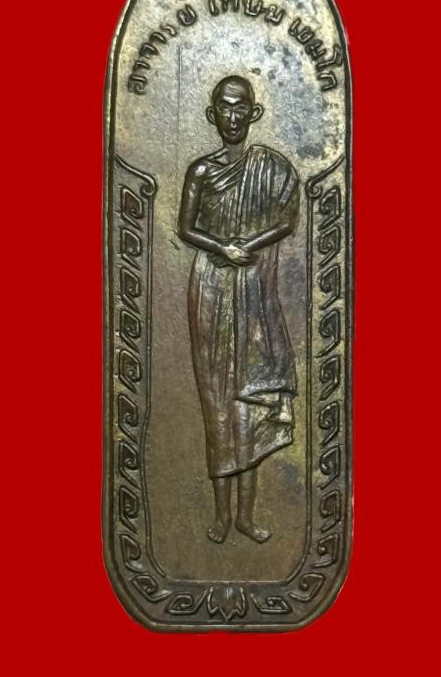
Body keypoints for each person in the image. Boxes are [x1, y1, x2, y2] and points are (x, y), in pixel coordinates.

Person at [178, 75, 299, 543]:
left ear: (254, 113)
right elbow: (186, 227)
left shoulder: (270, 167)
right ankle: (220, 515)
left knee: (249, 403)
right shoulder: (201, 171)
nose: (232, 116)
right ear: (212, 115)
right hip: (211, 286)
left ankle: (246, 516)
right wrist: (222, 248)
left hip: (254, 285)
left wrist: (249, 243)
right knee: (217, 403)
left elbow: (287, 218)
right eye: (224, 108)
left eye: (240, 107)